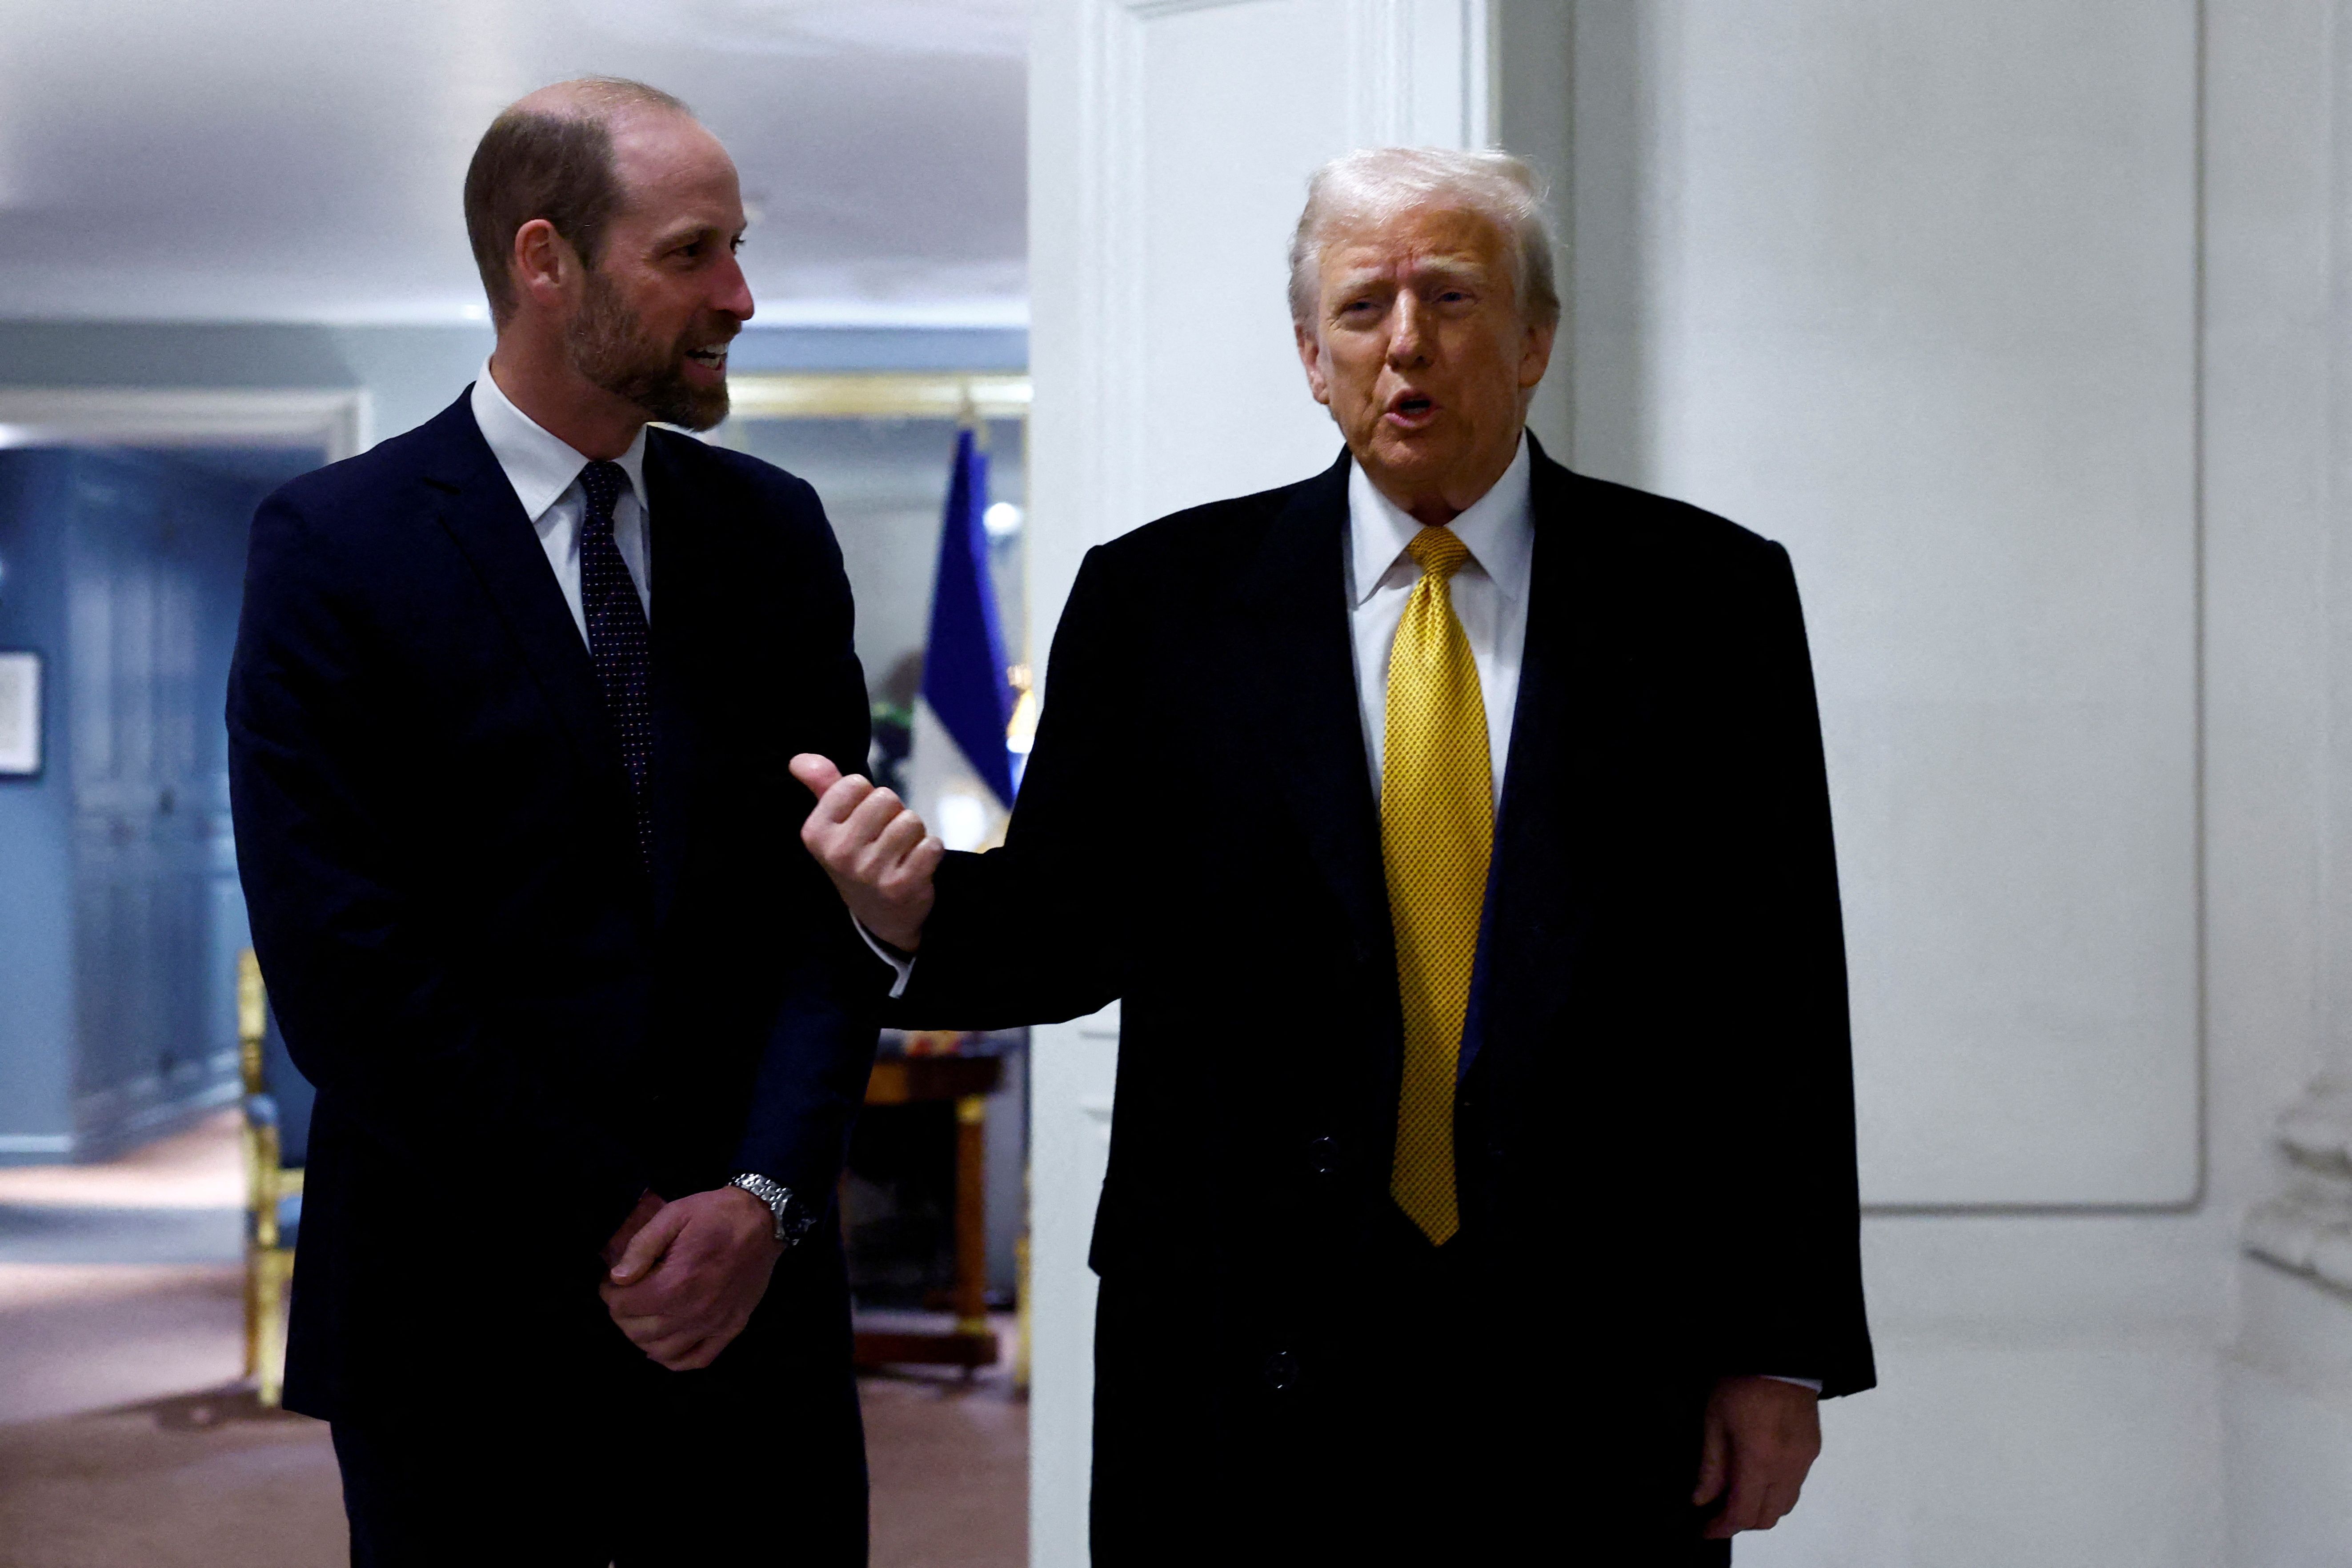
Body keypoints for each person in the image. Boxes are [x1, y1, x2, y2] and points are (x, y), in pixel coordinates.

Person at [793, 147, 1875, 1563]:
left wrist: (1777, 1350)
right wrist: (904, 911)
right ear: (1311, 356)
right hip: (1244, 1349)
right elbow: (1071, 925)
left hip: (1596, 1359)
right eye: (1363, 307)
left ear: (1537, 337)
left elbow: (1775, 988)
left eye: (1453, 296)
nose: (1406, 342)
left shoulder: (1706, 598)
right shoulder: (1163, 602)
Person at [229, 78, 881, 1564]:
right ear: (546, 262)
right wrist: (626, 1217)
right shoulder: (336, 548)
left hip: (753, 1308)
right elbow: (348, 970)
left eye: (737, 250)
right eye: (692, 253)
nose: (741, 295)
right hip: (455, 1308)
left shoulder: (775, 533)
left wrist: (760, 1205)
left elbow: (832, 911)